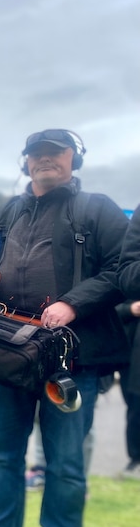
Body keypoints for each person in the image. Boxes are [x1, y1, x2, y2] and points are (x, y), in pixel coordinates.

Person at [0, 129, 129, 527]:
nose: (45, 160)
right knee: (0, 455)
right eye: (36, 154)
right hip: (6, 354)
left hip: (73, 360)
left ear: (75, 158)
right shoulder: (4, 213)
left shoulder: (98, 210)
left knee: (66, 463)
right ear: (26, 162)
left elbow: (122, 270)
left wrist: (73, 304)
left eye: (55, 153)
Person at [117, 204, 140, 478]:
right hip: (134, 343)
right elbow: (125, 279)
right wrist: (130, 309)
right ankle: (136, 458)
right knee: (136, 403)